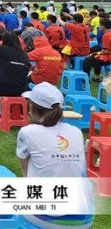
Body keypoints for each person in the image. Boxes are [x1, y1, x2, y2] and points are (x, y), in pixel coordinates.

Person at [17, 83, 93, 229]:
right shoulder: (76, 132)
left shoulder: (27, 132)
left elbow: (25, 171)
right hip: (84, 217)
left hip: (46, 217)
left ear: (31, 106)